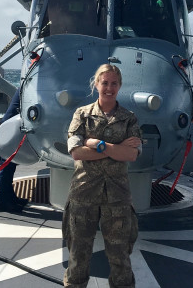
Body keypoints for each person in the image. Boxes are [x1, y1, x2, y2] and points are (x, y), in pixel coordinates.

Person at [62, 64, 142, 288]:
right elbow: (76, 152)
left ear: (120, 86)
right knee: (78, 257)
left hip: (117, 197)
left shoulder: (129, 119)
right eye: (104, 82)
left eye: (114, 83)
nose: (109, 87)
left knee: (120, 259)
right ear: (96, 84)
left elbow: (132, 154)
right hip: (83, 192)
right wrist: (116, 148)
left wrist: (97, 144)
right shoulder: (82, 114)